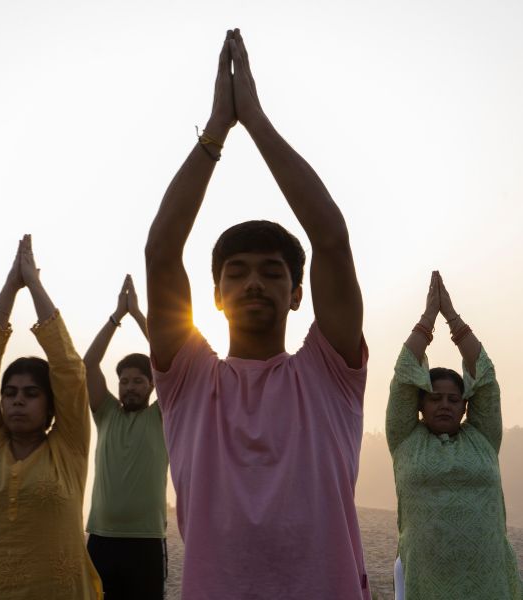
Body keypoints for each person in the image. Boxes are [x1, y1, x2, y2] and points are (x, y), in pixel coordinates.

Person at [145, 29, 370, 600]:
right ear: (215, 295)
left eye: (273, 272)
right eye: (237, 272)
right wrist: (218, 127)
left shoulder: (329, 373)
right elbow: (161, 252)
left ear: (298, 293)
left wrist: (256, 120)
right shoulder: (189, 381)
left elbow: (332, 239)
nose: (254, 283)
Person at [0, 235, 102, 600]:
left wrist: (34, 286)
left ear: (52, 406)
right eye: (10, 393)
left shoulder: (69, 449)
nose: (17, 401)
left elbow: (70, 370)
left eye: (31, 393)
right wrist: (9, 287)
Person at [386, 271, 523, 600]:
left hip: (488, 577)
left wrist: (453, 317)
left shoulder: (482, 438)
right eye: (435, 398)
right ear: (420, 404)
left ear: (465, 406)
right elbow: (405, 373)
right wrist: (428, 318)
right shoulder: (406, 440)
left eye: (453, 399)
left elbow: (485, 378)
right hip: (425, 577)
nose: (444, 405)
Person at [84, 274, 169, 600]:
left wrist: (138, 314)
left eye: (138, 381)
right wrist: (116, 316)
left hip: (146, 540)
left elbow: (170, 360)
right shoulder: (105, 413)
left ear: (152, 385)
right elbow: (89, 363)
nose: (129, 387)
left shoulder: (161, 415)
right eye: (124, 381)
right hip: (101, 539)